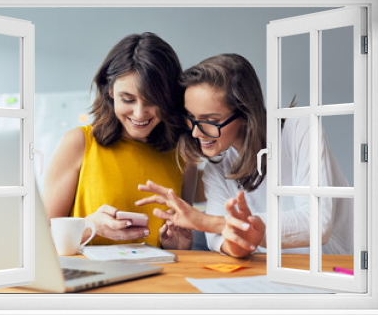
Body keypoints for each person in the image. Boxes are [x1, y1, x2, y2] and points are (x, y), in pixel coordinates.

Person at [137, 53, 353, 257]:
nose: (195, 132)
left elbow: (316, 224)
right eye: (191, 117)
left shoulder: (300, 128)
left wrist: (208, 222)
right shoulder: (218, 163)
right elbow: (222, 241)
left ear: (245, 114)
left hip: (334, 268)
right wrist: (229, 235)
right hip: (268, 273)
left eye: (210, 121)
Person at [44, 32, 195, 250]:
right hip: (91, 279)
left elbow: (180, 243)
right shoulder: (79, 142)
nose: (140, 113)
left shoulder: (183, 156)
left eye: (153, 101)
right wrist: (89, 227)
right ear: (109, 88)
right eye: (128, 99)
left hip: (157, 279)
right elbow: (39, 239)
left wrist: (178, 245)